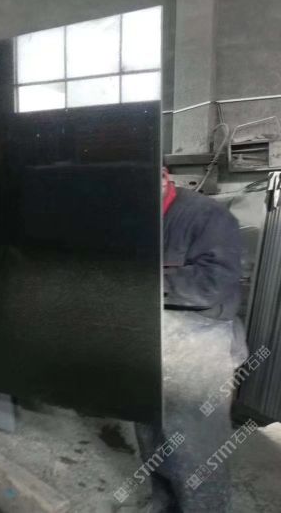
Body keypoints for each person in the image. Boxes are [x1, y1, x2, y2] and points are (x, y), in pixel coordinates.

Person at [134, 167, 247, 512]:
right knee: (152, 437)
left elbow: (214, 283)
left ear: (163, 176)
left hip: (200, 348)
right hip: (152, 340)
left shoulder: (207, 216)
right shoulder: (136, 218)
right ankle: (164, 505)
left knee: (196, 448)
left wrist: (142, 281)